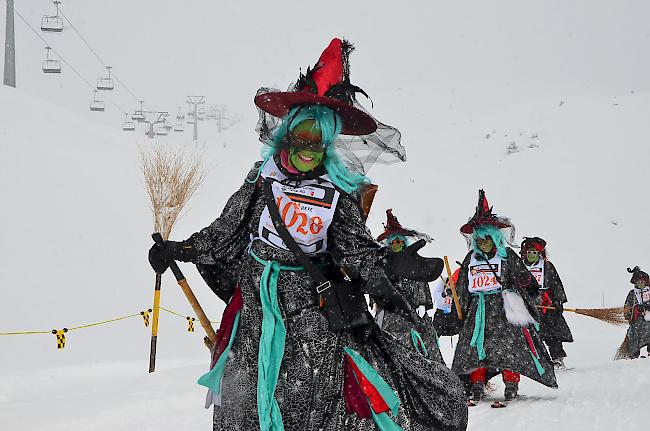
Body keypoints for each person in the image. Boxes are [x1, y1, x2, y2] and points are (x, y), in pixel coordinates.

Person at [149, 38, 467, 431]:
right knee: (247, 392)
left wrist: (388, 262)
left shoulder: (337, 192)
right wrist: (180, 249)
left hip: (311, 308)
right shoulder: (261, 183)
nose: (307, 150)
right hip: (257, 307)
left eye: (317, 144)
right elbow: (225, 233)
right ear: (285, 136)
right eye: (300, 139)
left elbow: (355, 250)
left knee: (308, 395)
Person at [451, 190, 557, 405]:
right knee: (475, 346)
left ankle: (511, 382)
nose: (483, 243)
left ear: (495, 238)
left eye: (487, 239)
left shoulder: (508, 256)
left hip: (504, 308)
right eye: (479, 240)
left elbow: (526, 282)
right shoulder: (470, 259)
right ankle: (477, 382)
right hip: (478, 310)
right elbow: (462, 286)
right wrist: (455, 310)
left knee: (510, 346)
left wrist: (526, 282)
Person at [374, 209, 444, 364]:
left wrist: (422, 303)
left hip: (414, 313)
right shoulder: (382, 264)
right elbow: (376, 287)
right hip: (391, 315)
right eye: (393, 242)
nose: (396, 244)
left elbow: (421, 281)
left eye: (399, 241)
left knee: (423, 346)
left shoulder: (412, 261)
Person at [520, 237, 573, 369]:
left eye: (534, 252)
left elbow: (556, 285)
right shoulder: (519, 267)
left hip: (546, 307)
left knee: (552, 335)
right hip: (526, 307)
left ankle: (557, 360)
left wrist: (558, 301)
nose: (532, 255)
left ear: (540, 253)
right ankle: (531, 362)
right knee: (528, 335)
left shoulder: (547, 267)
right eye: (529, 252)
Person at [622, 266, 650, 359]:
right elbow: (626, 308)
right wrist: (633, 311)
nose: (640, 283)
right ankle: (633, 359)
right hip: (637, 323)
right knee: (633, 340)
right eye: (638, 282)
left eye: (642, 281)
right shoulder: (632, 293)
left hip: (649, 322)